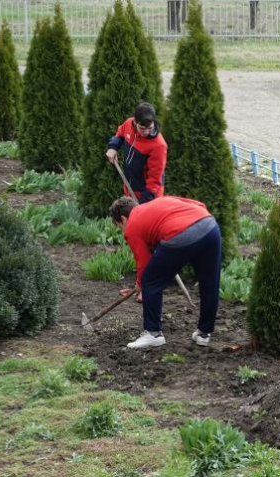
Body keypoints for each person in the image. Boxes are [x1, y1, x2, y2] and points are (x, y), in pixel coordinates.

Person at [109, 196, 222, 350]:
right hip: (209, 226)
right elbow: (200, 203)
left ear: (122, 219)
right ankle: (204, 333)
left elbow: (144, 261)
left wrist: (140, 284)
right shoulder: (158, 203)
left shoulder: (132, 226)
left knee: (151, 280)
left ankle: (153, 334)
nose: (122, 230)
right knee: (209, 282)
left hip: (180, 234)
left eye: (119, 226)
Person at [106, 102, 167, 203]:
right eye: (142, 128)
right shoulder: (128, 124)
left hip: (148, 195)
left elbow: (155, 181)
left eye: (150, 128)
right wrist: (113, 147)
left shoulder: (159, 146)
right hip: (130, 187)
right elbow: (120, 134)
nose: (147, 132)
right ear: (135, 122)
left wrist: (144, 204)